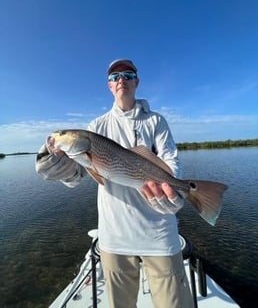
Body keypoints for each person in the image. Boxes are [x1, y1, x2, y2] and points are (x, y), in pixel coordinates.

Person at [36, 59, 194, 308]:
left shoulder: (156, 121)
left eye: (128, 74)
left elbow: (171, 163)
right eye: (115, 76)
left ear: (136, 82)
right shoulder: (96, 127)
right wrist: (62, 169)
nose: (121, 79)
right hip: (114, 239)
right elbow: (78, 176)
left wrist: (173, 190)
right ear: (109, 85)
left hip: (160, 236)